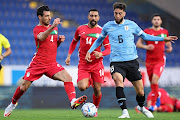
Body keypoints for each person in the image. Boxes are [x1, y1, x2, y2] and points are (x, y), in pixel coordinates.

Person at [85, 2, 178, 118]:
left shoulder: (132, 25)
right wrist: (89, 51)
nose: (117, 15)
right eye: (115, 13)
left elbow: (145, 36)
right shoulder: (108, 26)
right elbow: (99, 40)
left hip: (132, 62)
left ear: (124, 13)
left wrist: (163, 39)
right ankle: (124, 111)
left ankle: (141, 107)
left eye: (119, 13)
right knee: (118, 81)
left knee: (140, 91)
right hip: (116, 62)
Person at [4, 5, 87, 117]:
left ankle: (73, 101)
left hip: (51, 64)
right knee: (23, 87)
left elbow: (50, 46)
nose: (49, 18)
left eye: (50, 16)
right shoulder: (37, 29)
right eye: (46, 16)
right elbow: (42, 38)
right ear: (40, 17)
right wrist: (52, 26)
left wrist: (59, 42)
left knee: (68, 78)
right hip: (38, 63)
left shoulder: (55, 28)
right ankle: (13, 104)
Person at [65, 9, 110, 117]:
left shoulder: (103, 31)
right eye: (91, 16)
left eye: (95, 16)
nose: (93, 18)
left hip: (97, 64)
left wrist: (101, 54)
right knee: (81, 87)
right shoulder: (80, 29)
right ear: (88, 17)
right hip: (84, 64)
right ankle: (90, 80)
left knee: (97, 89)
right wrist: (69, 56)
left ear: (98, 18)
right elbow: (74, 42)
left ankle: (95, 109)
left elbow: (108, 49)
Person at [136, 13, 172, 112]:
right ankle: (157, 98)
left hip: (160, 61)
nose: (156, 21)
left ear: (160, 21)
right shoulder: (147, 31)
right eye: (155, 19)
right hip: (149, 62)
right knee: (153, 83)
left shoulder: (164, 32)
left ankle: (153, 104)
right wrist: (146, 47)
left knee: (155, 81)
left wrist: (169, 47)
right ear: (152, 21)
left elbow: (167, 41)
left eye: (158, 19)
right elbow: (138, 44)